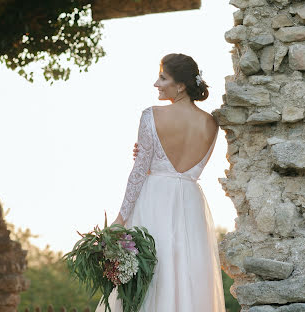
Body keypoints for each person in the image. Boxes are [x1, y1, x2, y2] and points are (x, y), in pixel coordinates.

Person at [95, 53, 225, 312]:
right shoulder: (212, 124)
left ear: (180, 86)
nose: (156, 83)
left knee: (151, 278)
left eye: (163, 77)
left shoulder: (151, 115)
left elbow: (138, 173)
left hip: (154, 200)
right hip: (190, 204)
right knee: (187, 277)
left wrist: (120, 220)